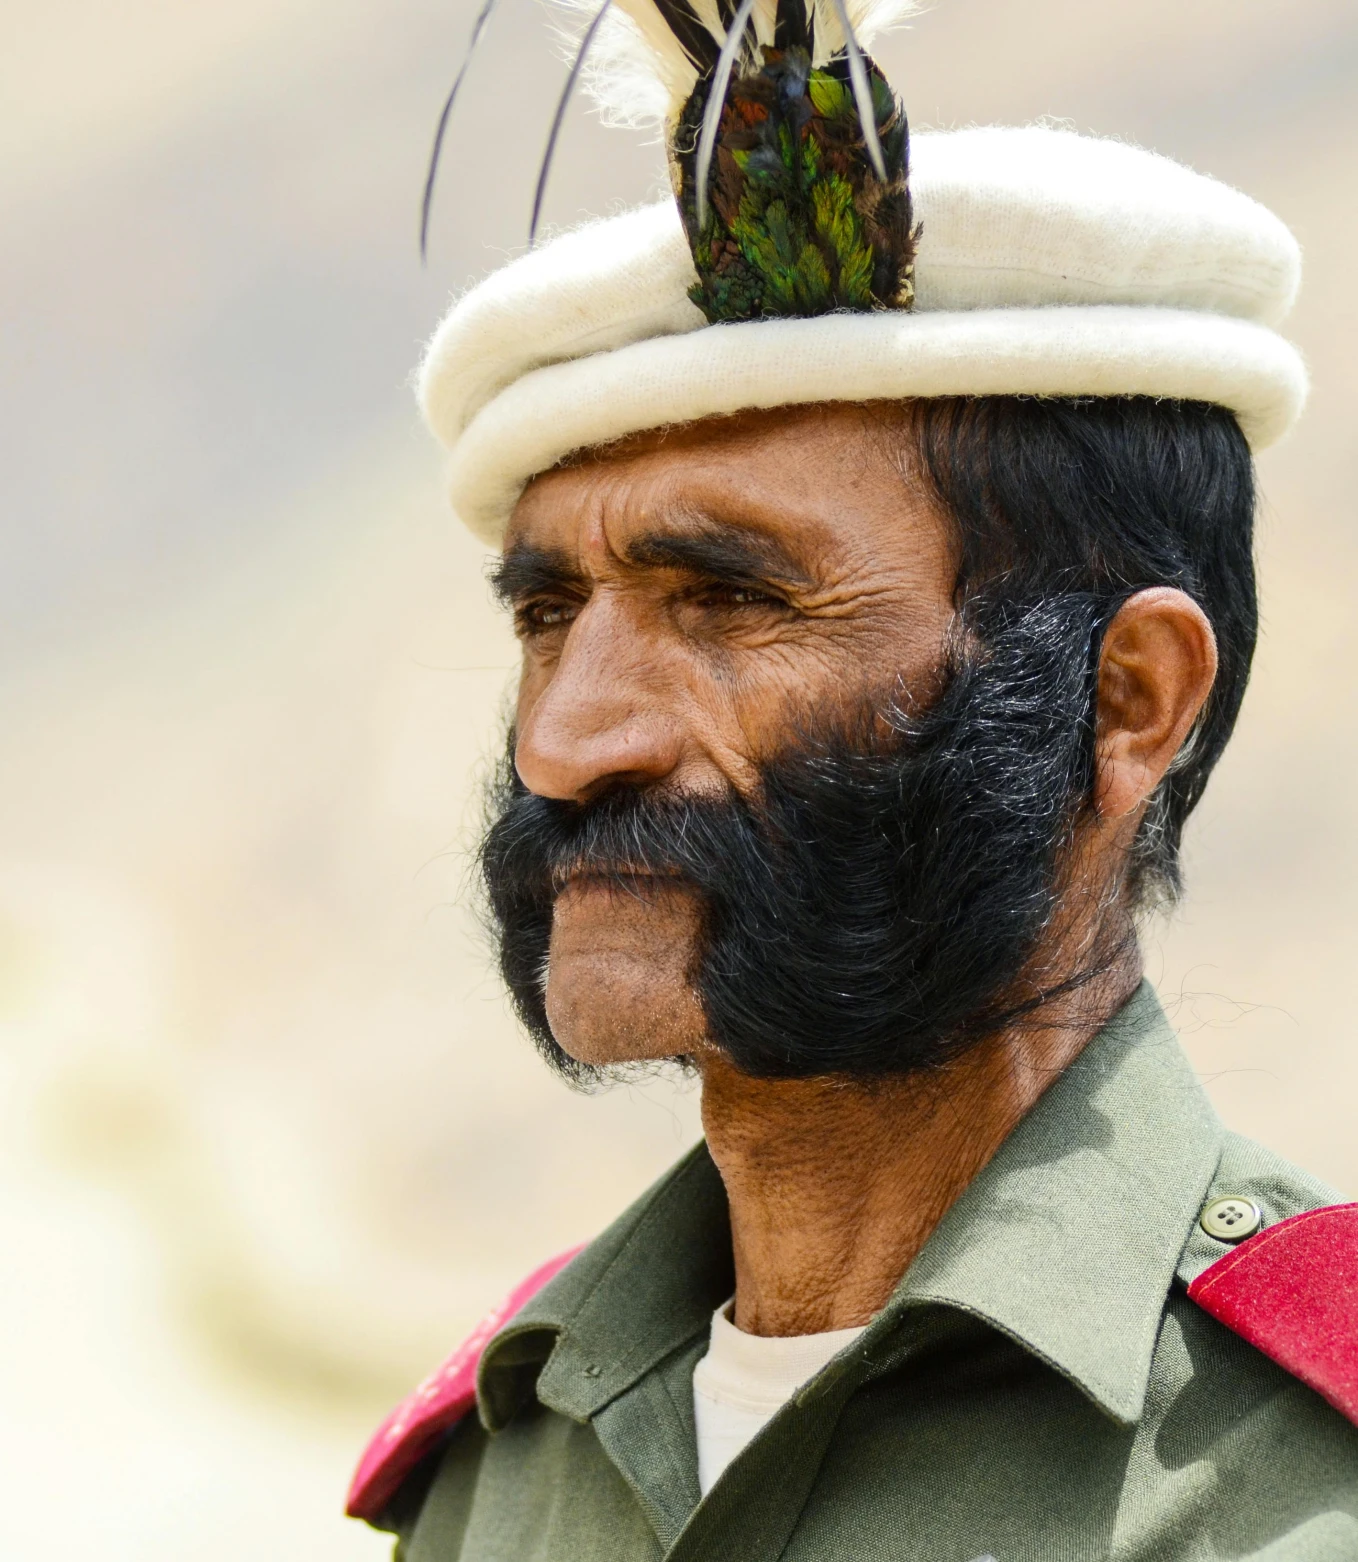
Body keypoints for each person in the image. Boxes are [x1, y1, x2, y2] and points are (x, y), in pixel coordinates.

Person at [346, 2, 1358, 1557]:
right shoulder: (495, 1471)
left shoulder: (1307, 1485)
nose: (565, 741)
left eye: (731, 601)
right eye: (551, 614)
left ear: (1126, 698)